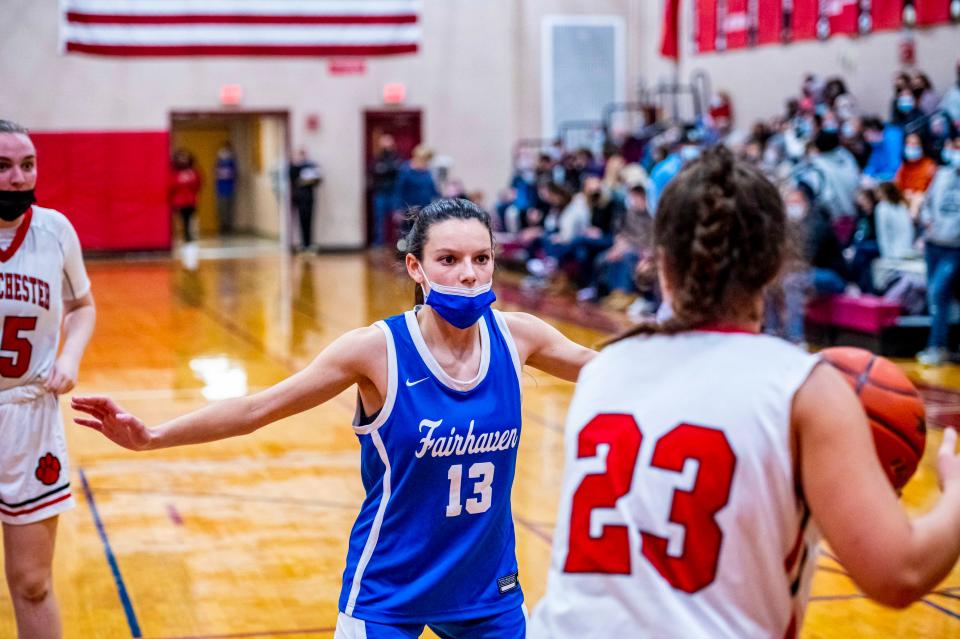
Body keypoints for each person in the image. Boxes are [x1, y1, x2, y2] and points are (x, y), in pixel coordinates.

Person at [72, 198, 596, 639]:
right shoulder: (376, 350)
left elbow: (612, 370)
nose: (468, 273)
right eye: (449, 259)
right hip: (391, 587)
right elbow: (258, 408)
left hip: (488, 588)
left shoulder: (519, 337)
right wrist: (153, 436)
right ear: (415, 267)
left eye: (481, 258)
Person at [528, 146, 960, 638]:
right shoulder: (803, 387)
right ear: (776, 264)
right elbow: (898, 574)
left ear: (659, 260)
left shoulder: (607, 369)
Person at [0, 119, 97, 639]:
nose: (17, 177)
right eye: (3, 166)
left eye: (27, 165)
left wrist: (71, 357)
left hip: (28, 417)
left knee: (33, 582)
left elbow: (82, 305)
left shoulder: (55, 231)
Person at [917, 133, 960, 366]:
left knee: (938, 291)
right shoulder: (942, 174)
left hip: (955, 248)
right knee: (937, 297)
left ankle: (937, 346)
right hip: (934, 244)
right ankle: (938, 346)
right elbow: (926, 203)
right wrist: (926, 219)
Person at [369, 134, 402, 247]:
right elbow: (374, 170)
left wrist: (385, 169)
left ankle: (399, 242)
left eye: (388, 143)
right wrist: (388, 169)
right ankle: (379, 241)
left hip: (394, 193)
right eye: (384, 143)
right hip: (380, 193)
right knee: (379, 219)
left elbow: (398, 170)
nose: (386, 146)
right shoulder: (377, 158)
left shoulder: (397, 157)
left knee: (398, 219)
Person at [289, 148, 323, 252]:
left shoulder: (311, 166)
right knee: (301, 221)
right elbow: (294, 180)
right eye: (299, 155)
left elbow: (317, 180)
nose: (301, 157)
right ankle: (303, 243)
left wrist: (307, 181)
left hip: (309, 198)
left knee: (309, 221)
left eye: (303, 155)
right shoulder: (294, 167)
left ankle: (309, 243)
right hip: (299, 198)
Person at [169, 149, 202, 244]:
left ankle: (189, 235)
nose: (183, 159)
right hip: (178, 200)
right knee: (180, 219)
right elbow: (171, 185)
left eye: (185, 157)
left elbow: (198, 183)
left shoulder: (193, 171)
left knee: (190, 218)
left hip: (190, 199)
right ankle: (179, 235)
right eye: (181, 157)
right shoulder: (174, 172)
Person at [214, 142, 237, 235]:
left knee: (229, 209)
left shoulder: (232, 162)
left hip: (230, 189)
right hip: (220, 189)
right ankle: (222, 226)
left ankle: (228, 227)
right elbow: (217, 175)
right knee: (221, 209)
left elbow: (234, 175)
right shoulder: (218, 162)